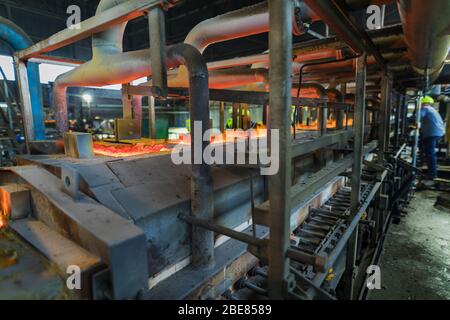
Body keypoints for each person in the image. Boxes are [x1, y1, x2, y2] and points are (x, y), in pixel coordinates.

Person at [419, 96, 445, 180]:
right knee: (428, 151)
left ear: (423, 103)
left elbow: (418, 116)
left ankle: (432, 174)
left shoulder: (425, 108)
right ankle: (428, 168)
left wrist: (407, 120)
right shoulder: (432, 109)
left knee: (430, 153)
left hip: (432, 133)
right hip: (437, 133)